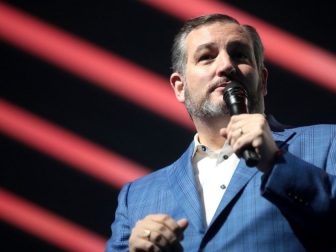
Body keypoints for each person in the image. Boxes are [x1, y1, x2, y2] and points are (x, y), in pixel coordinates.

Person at [106, 14, 336, 251]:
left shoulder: (328, 142)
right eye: (206, 57)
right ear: (180, 86)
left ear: (263, 81)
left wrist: (276, 163)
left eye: (239, 55)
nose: (226, 66)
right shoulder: (137, 197)